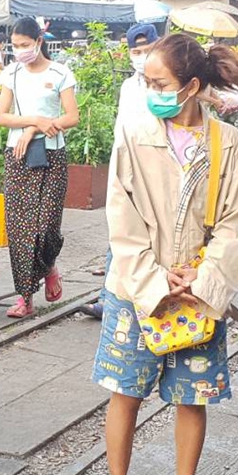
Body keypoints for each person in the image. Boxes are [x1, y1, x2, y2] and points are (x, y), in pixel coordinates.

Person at [97, 34, 238, 475]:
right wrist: (156, 279)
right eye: (146, 81)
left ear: (192, 87)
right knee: (126, 391)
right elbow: (122, 215)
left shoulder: (227, 144)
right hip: (135, 289)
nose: (149, 90)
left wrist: (202, 279)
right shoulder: (135, 133)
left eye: (159, 83)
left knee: (192, 395)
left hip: (200, 291)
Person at [0, 17, 80, 319]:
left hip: (51, 157)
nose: (20, 51)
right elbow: (2, 116)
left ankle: (50, 266)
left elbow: (72, 117)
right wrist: (34, 121)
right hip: (18, 157)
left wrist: (37, 129)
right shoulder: (12, 73)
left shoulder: (60, 73)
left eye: (25, 45)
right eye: (15, 46)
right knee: (20, 230)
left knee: (46, 227)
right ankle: (25, 297)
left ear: (39, 42)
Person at [81, 22, 159, 319]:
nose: (141, 56)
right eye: (135, 51)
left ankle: (140, 296)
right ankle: (109, 299)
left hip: (158, 170)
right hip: (127, 167)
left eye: (147, 50)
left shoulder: (170, 84)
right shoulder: (129, 87)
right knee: (120, 232)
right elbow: (121, 129)